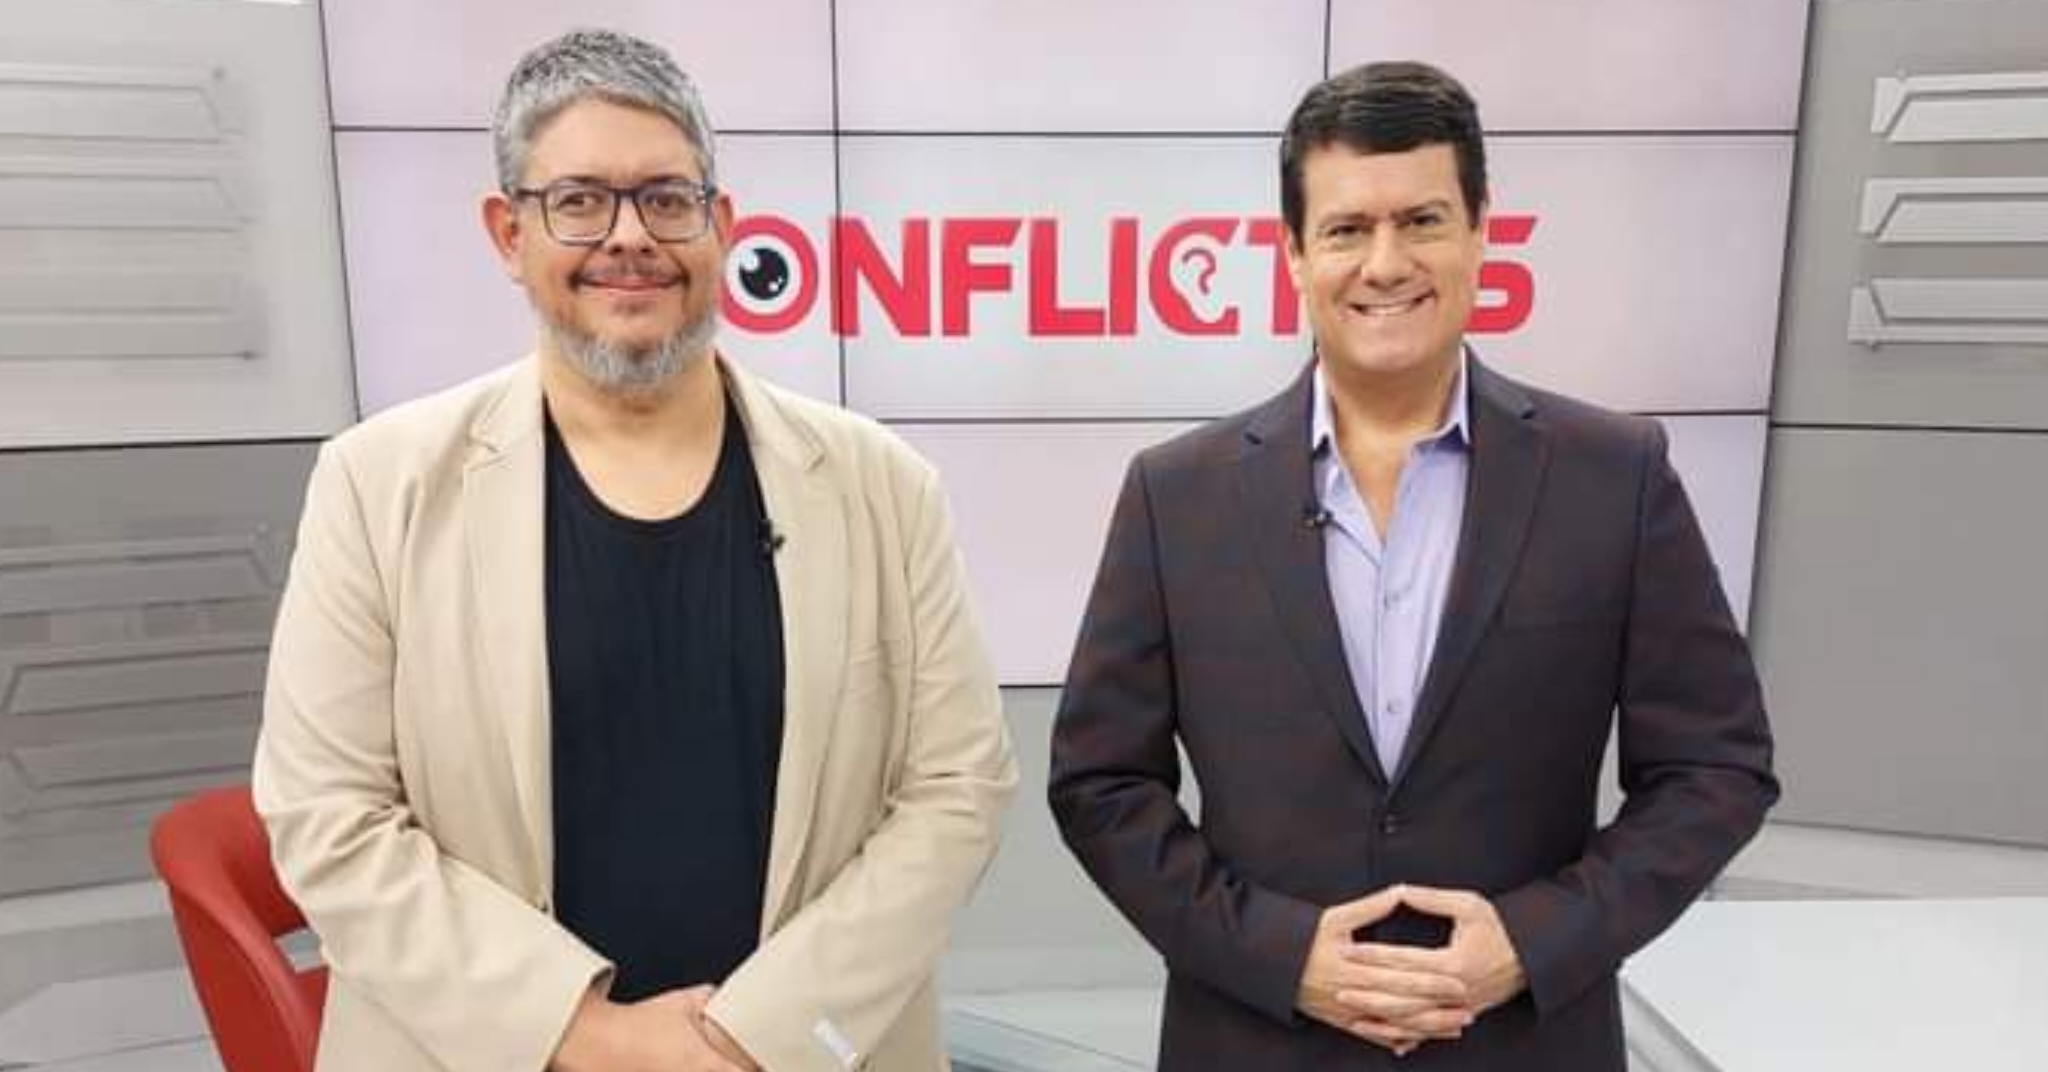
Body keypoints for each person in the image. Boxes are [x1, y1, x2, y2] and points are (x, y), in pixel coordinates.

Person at [253, 28, 1016, 1072]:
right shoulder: (377, 485)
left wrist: (752, 1038)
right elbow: (327, 817)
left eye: (665, 198)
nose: (629, 237)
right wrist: (585, 1033)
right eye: (578, 200)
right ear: (508, 232)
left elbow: (958, 787)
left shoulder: (883, 485)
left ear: (721, 226)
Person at [1048, 61, 1777, 1070]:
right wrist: (1279, 953)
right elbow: (1099, 783)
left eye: (1422, 221)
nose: (1384, 264)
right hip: (1258, 1042)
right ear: (1294, 254)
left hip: (1521, 1044)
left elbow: (1716, 769)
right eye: (1346, 229)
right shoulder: (1177, 495)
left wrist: (1530, 940)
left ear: (1481, 231)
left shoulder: (1615, 474)